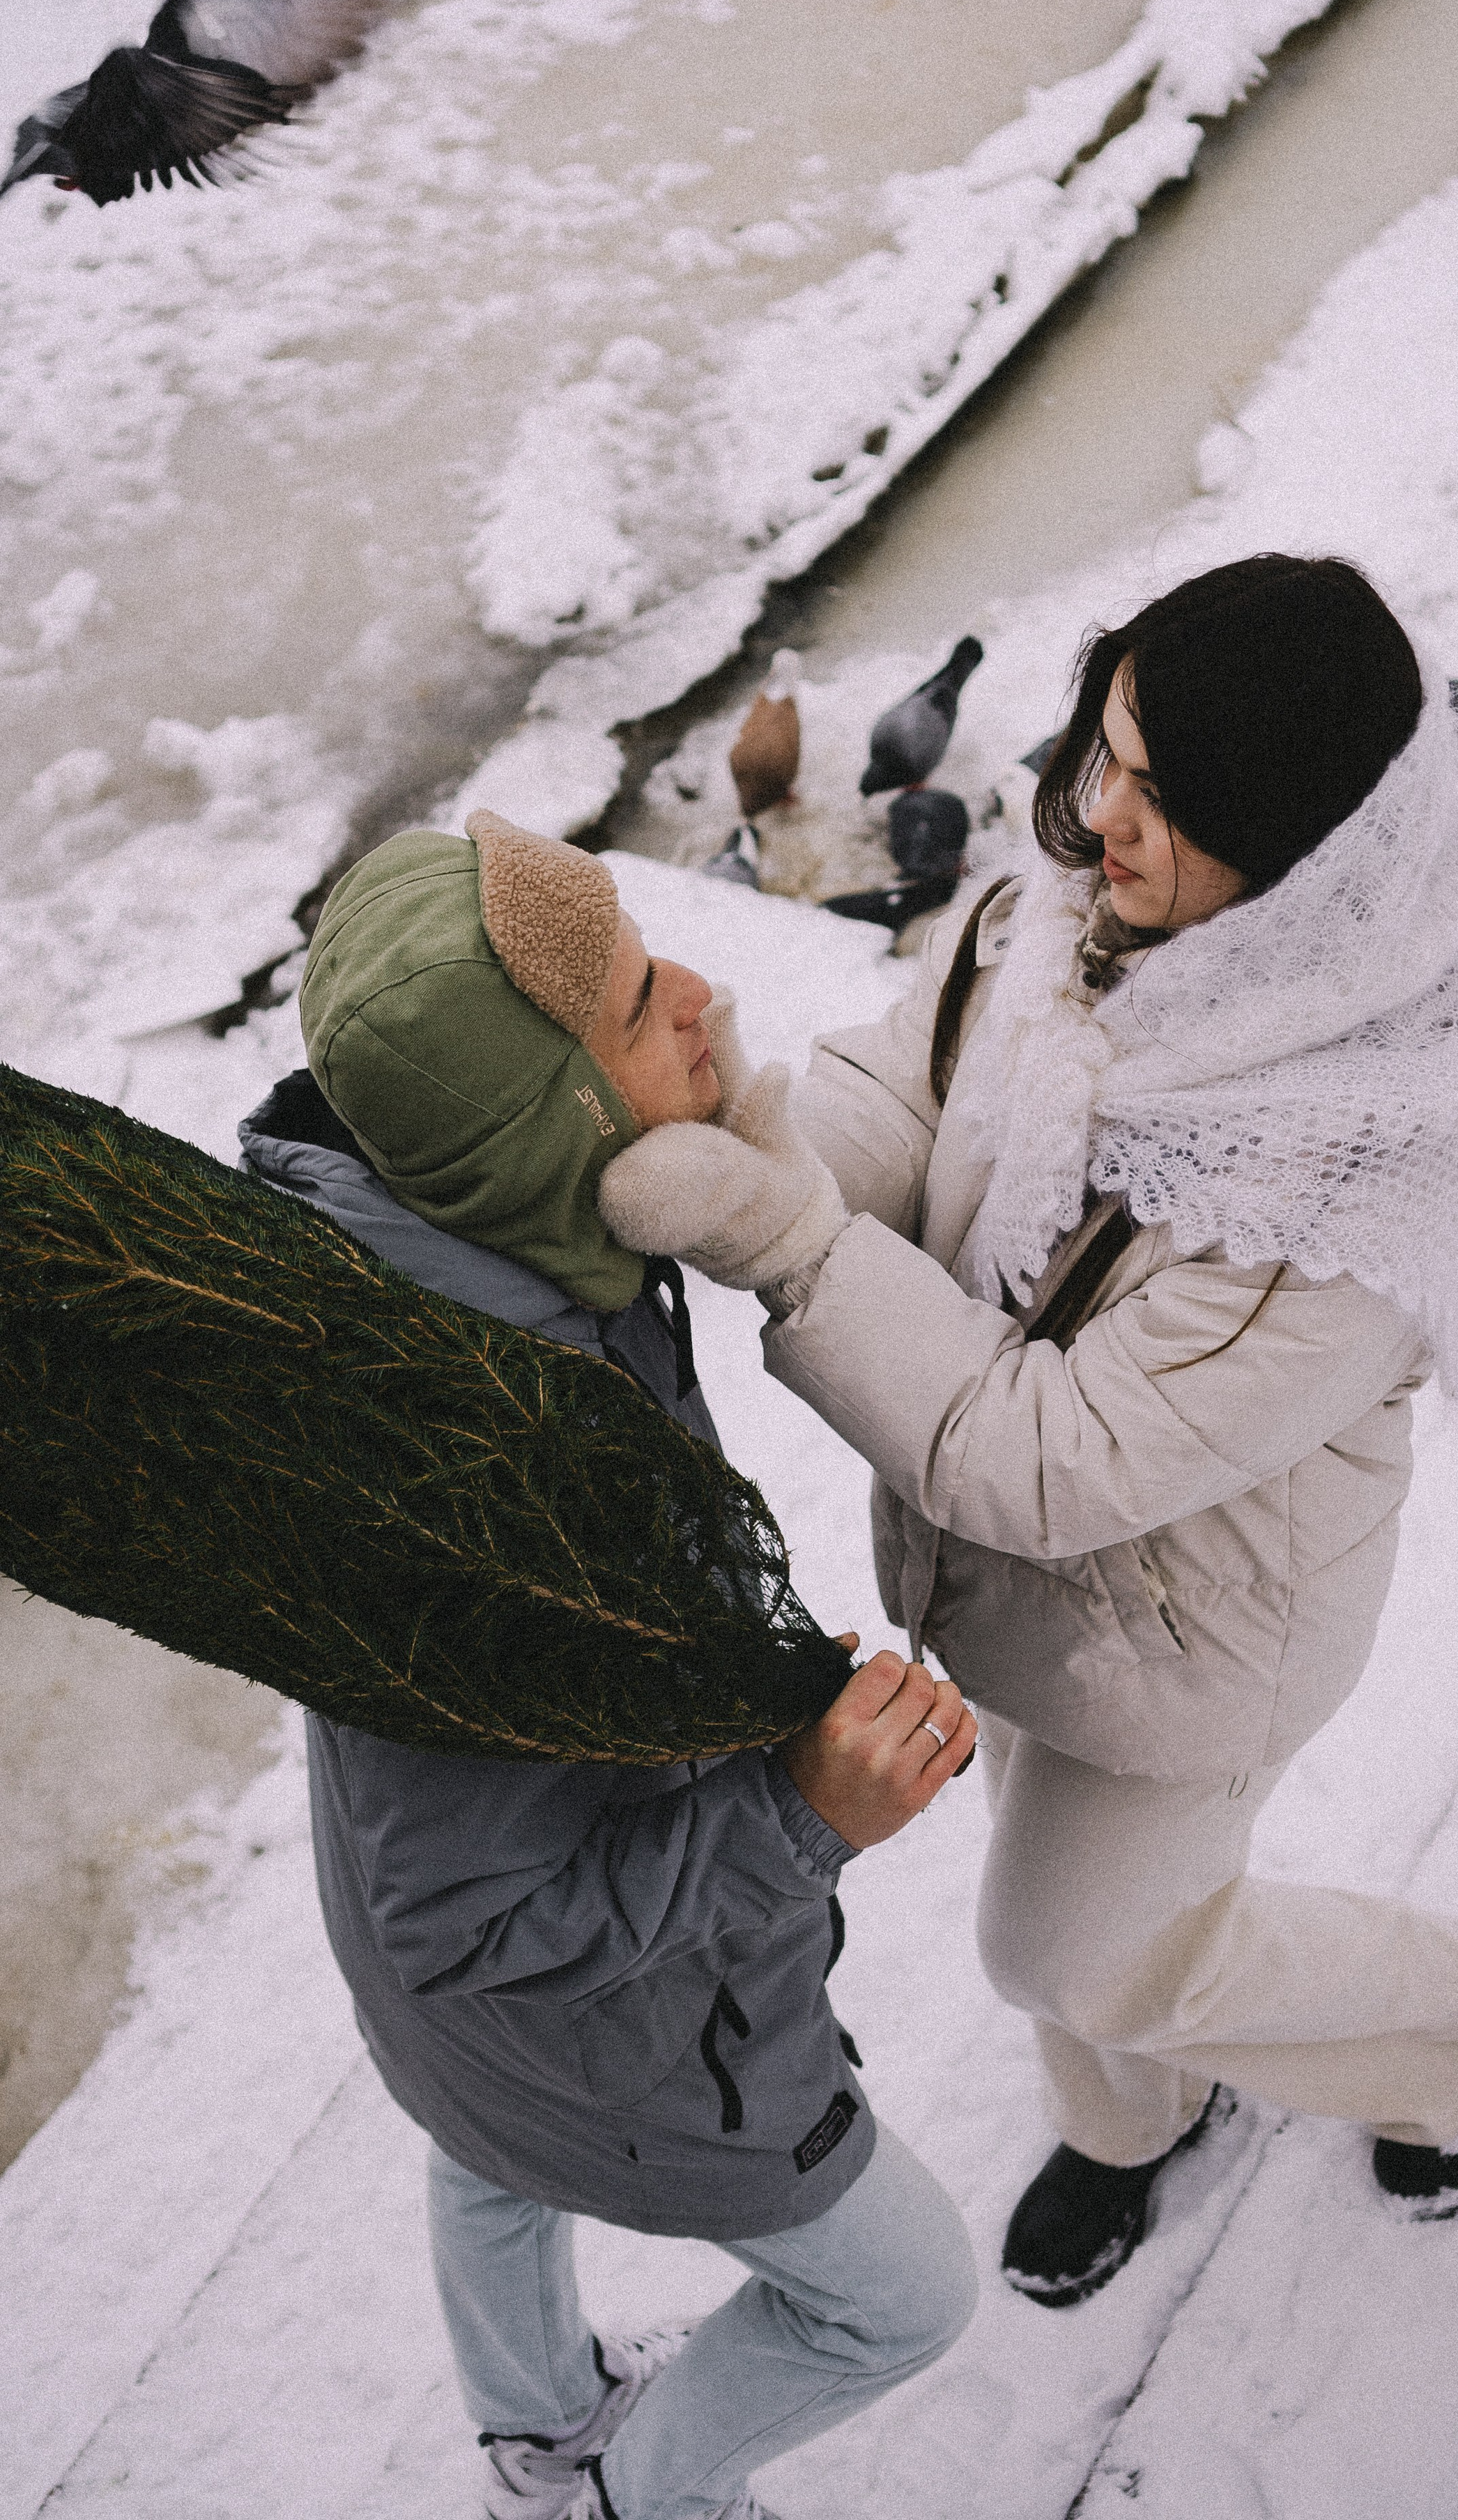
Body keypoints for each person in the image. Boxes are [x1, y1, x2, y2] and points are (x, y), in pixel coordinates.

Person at [598, 553, 1458, 2310]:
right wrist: (764, 1144)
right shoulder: (1080, 911)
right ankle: (1136, 2117)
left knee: (1066, 1938)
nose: (1095, 815)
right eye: (1110, 752)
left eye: (1162, 796)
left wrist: (776, 1241)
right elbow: (907, 1085)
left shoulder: (1339, 1164)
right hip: (1012, 1582)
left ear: (1300, 857)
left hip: (1191, 1633)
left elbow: (1056, 1456)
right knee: (1084, 1913)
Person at [239, 809, 977, 2520]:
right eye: (649, 1004)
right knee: (897, 2296)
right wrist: (800, 1818)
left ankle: (529, 2426)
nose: (709, 996)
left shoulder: (463, 1267)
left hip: (458, 2045)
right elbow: (474, 1924)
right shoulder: (487, 1489)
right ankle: (626, 2498)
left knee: (484, 2154)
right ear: (553, 1121)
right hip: (609, 2034)